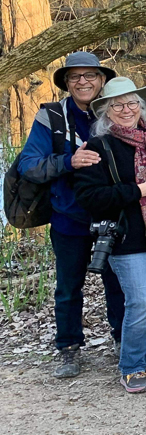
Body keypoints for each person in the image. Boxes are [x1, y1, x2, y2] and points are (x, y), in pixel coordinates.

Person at [74, 78, 146, 393]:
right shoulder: (99, 147)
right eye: (118, 104)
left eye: (132, 103)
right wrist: (140, 189)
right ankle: (130, 366)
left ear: (141, 106)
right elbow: (90, 197)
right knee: (141, 302)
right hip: (126, 238)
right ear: (106, 111)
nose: (126, 110)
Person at [17, 51, 125, 378]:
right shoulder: (50, 117)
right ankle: (68, 348)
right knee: (68, 287)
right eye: (75, 76)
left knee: (119, 282)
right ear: (66, 82)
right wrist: (68, 162)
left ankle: (125, 342)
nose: (83, 82)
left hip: (113, 215)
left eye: (90, 75)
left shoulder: (118, 109)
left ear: (102, 79)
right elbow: (28, 165)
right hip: (68, 216)